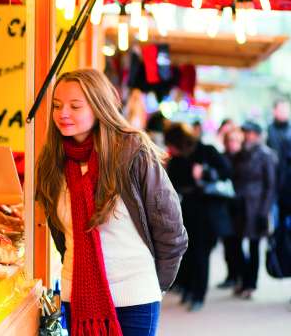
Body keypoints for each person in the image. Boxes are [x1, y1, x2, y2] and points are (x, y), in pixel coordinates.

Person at [35, 69, 188, 336]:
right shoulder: (51, 162)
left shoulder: (132, 152)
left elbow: (171, 230)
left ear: (98, 105)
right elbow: (62, 237)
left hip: (135, 297)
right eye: (57, 106)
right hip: (77, 297)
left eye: (75, 106)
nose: (63, 114)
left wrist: (154, 283)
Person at [164, 122, 231, 312]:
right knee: (188, 253)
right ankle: (188, 289)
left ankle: (198, 294)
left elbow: (227, 172)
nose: (170, 149)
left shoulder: (206, 151)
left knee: (202, 254)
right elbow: (174, 183)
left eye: (172, 146)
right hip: (188, 211)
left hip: (208, 212)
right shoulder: (176, 160)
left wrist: (206, 173)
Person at [231, 121, 277, 299]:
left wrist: (264, 211)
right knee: (235, 244)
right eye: (245, 132)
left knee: (254, 245)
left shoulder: (266, 155)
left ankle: (251, 283)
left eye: (251, 133)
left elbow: (270, 185)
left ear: (258, 135)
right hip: (240, 204)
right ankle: (242, 279)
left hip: (257, 207)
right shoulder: (240, 154)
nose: (248, 136)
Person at [217, 127, 245, 289]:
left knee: (238, 245)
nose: (233, 144)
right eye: (230, 140)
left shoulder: (244, 158)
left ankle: (241, 277)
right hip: (226, 206)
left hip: (240, 207)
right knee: (228, 245)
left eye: (236, 140)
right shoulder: (222, 157)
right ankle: (231, 276)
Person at [267, 99, 291, 226]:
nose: (284, 113)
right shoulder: (267, 131)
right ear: (274, 111)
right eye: (281, 109)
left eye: (286, 110)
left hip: (287, 183)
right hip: (271, 181)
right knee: (274, 220)